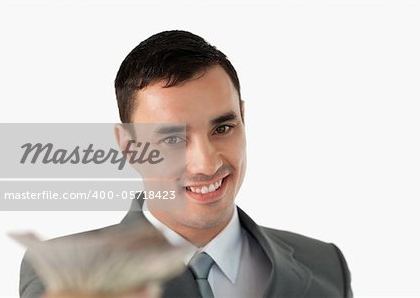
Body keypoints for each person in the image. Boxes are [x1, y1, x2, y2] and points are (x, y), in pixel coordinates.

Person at [20, 30, 353, 298]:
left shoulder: (325, 265)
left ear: (244, 119)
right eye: (173, 139)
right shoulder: (65, 272)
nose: (206, 164)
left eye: (223, 128)